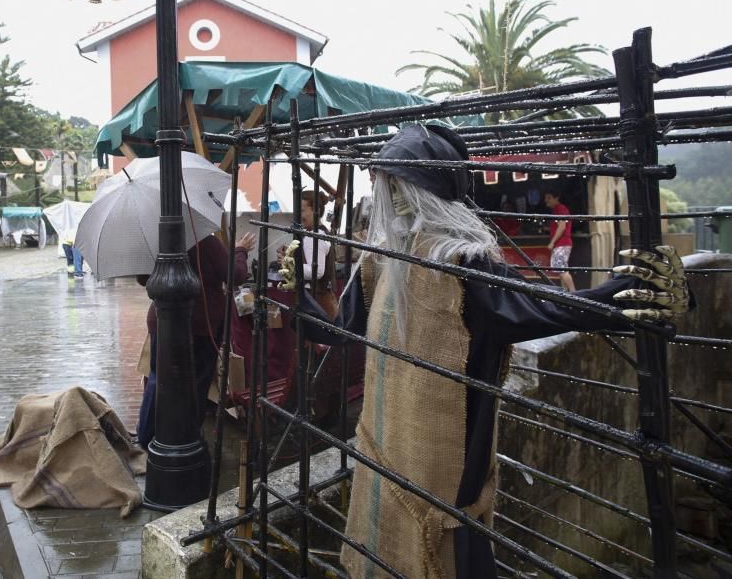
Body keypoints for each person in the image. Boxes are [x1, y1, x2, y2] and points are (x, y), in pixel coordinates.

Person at [289, 123, 688, 579]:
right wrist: (295, 298)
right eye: (388, 185)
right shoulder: (381, 261)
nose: (390, 196)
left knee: (452, 548)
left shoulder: (460, 261)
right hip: (385, 448)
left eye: (398, 184)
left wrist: (632, 291)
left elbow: (546, 310)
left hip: (446, 457)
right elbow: (343, 330)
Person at [136, 230, 257, 448]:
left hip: (162, 319)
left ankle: (146, 435)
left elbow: (143, 278)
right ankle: (187, 437)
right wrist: (240, 251)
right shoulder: (203, 240)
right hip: (199, 324)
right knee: (196, 383)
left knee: (158, 377)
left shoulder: (156, 238)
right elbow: (234, 275)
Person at [278, 189, 339, 319]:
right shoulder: (314, 234)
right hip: (315, 300)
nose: (299, 215)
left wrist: (288, 262)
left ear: (315, 210)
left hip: (317, 303)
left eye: (302, 210)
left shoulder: (315, 237)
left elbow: (316, 271)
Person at [545, 191, 576, 291]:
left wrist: (552, 242)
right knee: (561, 269)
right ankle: (566, 293)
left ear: (556, 198)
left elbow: (562, 227)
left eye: (549, 197)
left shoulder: (560, 209)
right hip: (562, 243)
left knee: (562, 269)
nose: (546, 200)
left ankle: (573, 293)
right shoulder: (558, 210)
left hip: (562, 243)